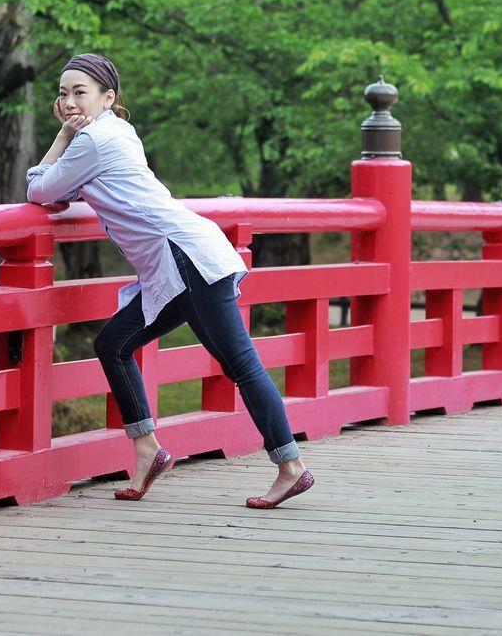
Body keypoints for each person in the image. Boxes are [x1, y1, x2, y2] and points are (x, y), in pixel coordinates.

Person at [27, 53, 314, 509]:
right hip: (173, 264)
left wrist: (63, 135)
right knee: (114, 344)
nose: (69, 101)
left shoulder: (94, 141)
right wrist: (69, 136)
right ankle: (146, 449)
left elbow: (39, 190)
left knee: (240, 364)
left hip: (184, 260)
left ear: (108, 97)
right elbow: (59, 189)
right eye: (63, 94)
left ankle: (290, 466)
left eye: (80, 92)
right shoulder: (117, 131)